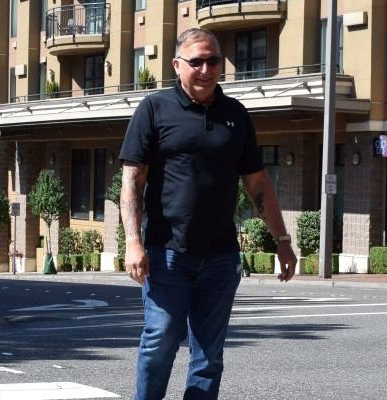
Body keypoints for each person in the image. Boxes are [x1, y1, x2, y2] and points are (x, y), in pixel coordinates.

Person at [118, 28, 297, 400]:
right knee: (161, 339)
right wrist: (133, 242)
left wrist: (282, 240)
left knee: (209, 355)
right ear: (177, 65)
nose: (205, 69)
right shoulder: (154, 108)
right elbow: (133, 182)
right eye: (195, 61)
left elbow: (258, 184)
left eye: (213, 61)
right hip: (166, 253)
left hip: (220, 256)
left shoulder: (235, 114)